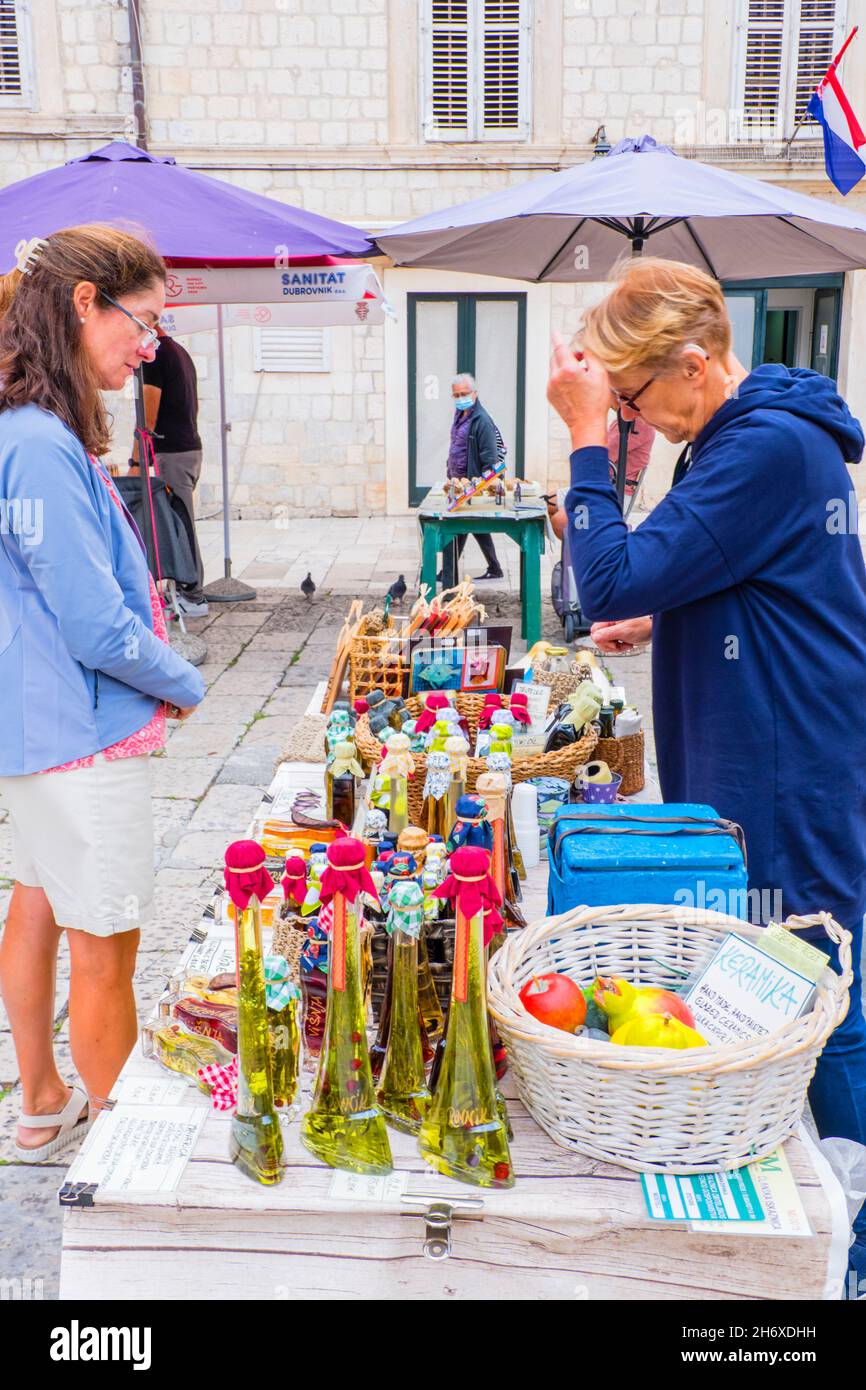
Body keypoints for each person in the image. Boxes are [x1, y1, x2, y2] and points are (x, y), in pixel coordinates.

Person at [547, 255, 866, 1288]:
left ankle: (848, 1227)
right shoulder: (743, 435)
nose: (638, 422)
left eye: (637, 401)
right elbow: (717, 569)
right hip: (771, 727)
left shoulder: (761, 444)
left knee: (818, 977)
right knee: (772, 962)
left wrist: (586, 443)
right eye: (623, 411)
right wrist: (678, 605)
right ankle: (795, 1197)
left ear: (692, 364)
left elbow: (602, 575)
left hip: (789, 751)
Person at [0, 225, 206, 1162]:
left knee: (38, 903)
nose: (149, 344)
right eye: (145, 321)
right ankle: (128, 1161)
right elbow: (96, 626)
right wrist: (182, 678)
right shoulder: (39, 444)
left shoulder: (27, 431)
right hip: (81, 735)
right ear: (86, 303)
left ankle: (43, 1104)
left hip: (40, 730)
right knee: (106, 950)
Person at [135, 326, 208, 616]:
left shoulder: (156, 356)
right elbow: (195, 406)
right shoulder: (180, 352)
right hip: (188, 447)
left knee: (180, 522)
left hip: (174, 453)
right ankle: (185, 591)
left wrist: (136, 462)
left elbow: (146, 419)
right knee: (181, 519)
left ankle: (193, 595)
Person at [444, 372, 504, 581]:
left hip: (473, 485)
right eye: (457, 395)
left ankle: (448, 572)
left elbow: (490, 458)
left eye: (465, 393)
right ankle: (494, 568)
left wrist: (481, 487)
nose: (461, 398)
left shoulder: (482, 421)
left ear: (475, 394)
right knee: (472, 527)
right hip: (458, 482)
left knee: (457, 526)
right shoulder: (460, 416)